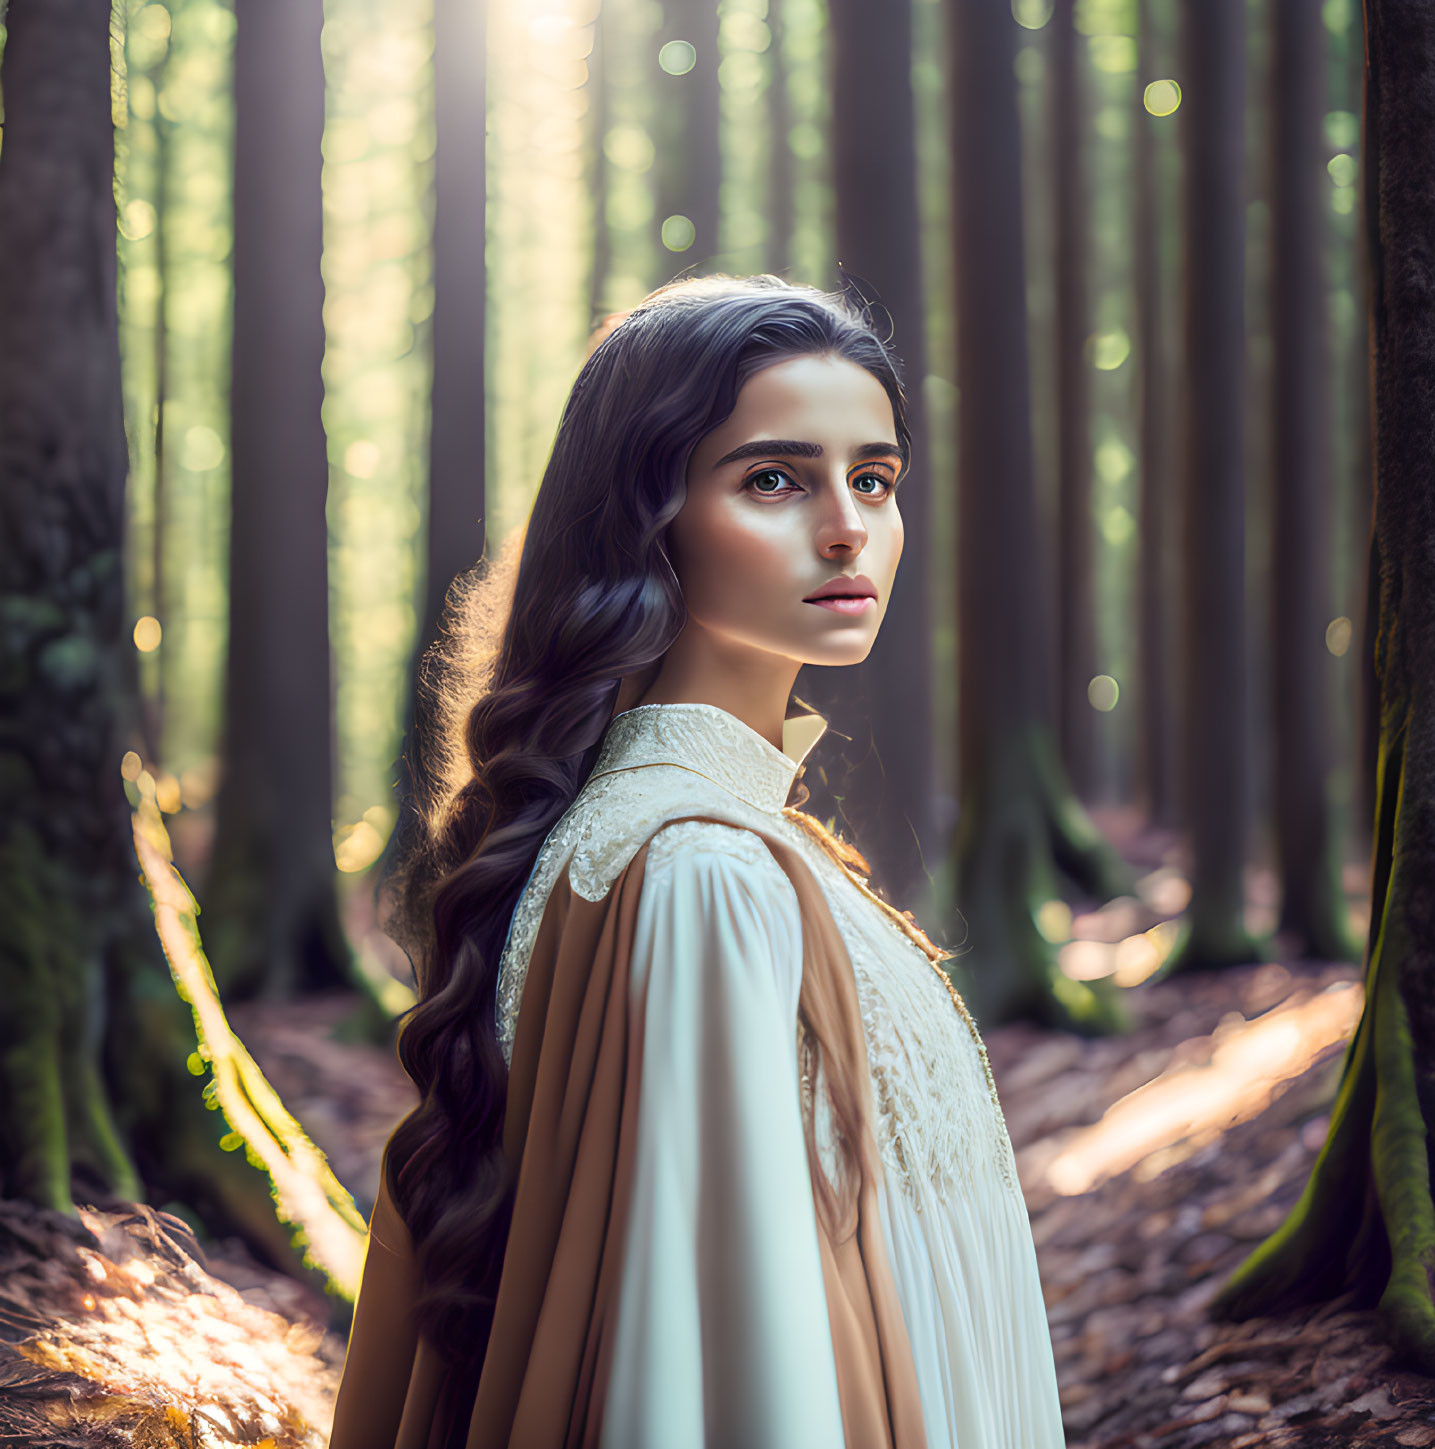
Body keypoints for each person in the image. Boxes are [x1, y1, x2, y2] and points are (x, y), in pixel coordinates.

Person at [328, 275, 1066, 1449]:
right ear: (644, 519)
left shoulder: (690, 839)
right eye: (774, 478)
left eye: (874, 479)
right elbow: (718, 1368)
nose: (847, 527)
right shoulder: (703, 879)